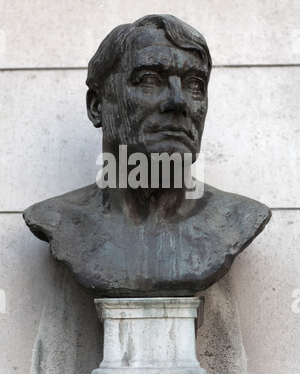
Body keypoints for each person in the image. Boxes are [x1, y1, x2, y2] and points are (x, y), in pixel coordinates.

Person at [23, 15, 271, 296]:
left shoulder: (236, 219)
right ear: (96, 107)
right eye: (150, 80)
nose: (179, 102)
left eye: (195, 85)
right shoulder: (59, 219)